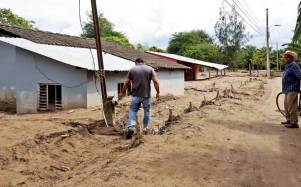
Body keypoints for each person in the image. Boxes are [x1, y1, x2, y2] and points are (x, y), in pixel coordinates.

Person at [119, 58, 160, 139]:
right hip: (146, 96)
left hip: (135, 95)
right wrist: (158, 92)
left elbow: (126, 82)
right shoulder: (150, 69)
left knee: (133, 111)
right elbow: (155, 81)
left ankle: (131, 127)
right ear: (143, 62)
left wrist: (122, 92)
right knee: (147, 111)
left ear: (136, 63)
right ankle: (145, 128)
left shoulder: (132, 70)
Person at [281, 50, 301, 128]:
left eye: (287, 56)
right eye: (285, 56)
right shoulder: (287, 66)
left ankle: (294, 123)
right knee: (286, 105)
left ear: (291, 57)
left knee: (292, 106)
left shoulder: (294, 65)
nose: (285, 58)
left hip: (293, 89)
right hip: (287, 89)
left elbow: (299, 75)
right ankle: (288, 120)